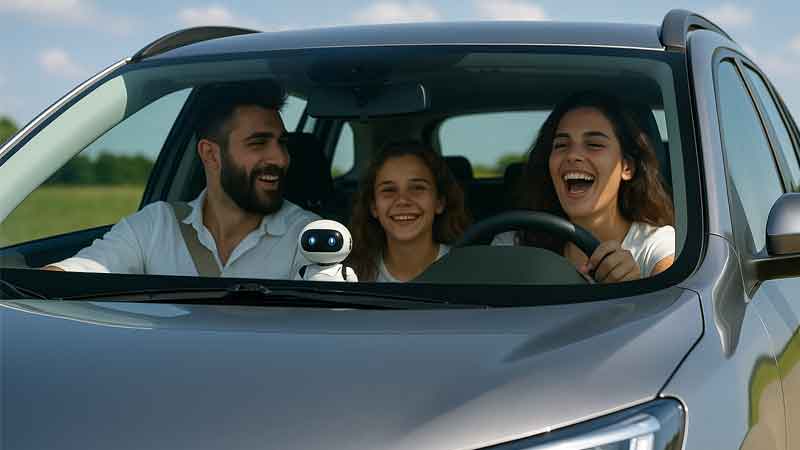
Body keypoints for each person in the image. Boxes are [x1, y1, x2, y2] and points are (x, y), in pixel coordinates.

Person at [44, 81, 319, 278]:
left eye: (282, 143)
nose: (281, 159)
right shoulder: (156, 226)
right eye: (258, 143)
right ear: (210, 154)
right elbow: (82, 271)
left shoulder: (309, 236)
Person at [493, 91, 675, 282]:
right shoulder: (513, 247)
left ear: (627, 167)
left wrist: (633, 290)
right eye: (561, 145)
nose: (572, 155)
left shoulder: (656, 246)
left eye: (594, 144)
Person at [346, 141, 470, 282]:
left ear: (439, 202)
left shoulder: (468, 270)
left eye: (417, 188)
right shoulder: (351, 276)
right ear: (374, 207)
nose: (402, 200)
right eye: (389, 190)